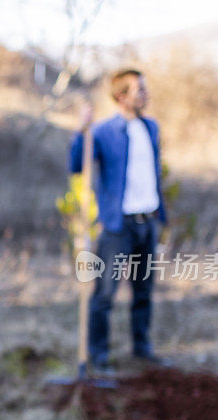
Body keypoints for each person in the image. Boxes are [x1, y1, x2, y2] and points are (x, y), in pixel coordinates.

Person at [69, 68, 171, 375]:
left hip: (148, 222)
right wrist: (80, 131)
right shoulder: (102, 132)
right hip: (118, 226)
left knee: (143, 291)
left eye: (145, 89)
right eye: (139, 90)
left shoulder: (150, 128)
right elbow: (77, 165)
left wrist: (161, 218)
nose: (145, 94)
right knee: (105, 292)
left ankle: (142, 347)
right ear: (121, 96)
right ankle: (97, 354)